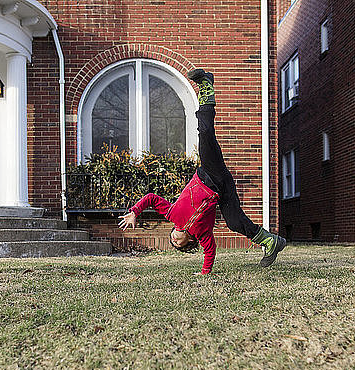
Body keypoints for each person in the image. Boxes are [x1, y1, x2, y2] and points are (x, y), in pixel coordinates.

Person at [118, 69, 285, 275]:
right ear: (189, 242)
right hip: (223, 189)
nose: (174, 239)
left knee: (205, 134)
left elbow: (151, 198)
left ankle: (206, 87)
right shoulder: (203, 233)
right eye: (178, 244)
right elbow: (210, 251)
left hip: (208, 174)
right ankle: (272, 242)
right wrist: (205, 273)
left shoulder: (171, 214)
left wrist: (135, 212)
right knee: (234, 222)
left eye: (172, 239)